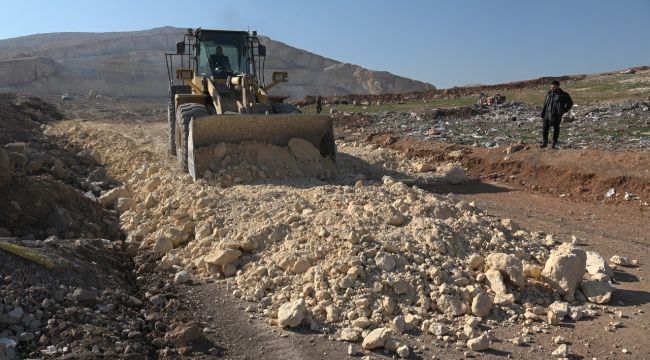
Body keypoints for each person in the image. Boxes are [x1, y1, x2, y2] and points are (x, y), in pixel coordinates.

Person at [540, 80, 573, 149]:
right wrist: (543, 112)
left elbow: (570, 103)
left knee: (556, 129)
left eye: (554, 86)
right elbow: (545, 104)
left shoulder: (563, 95)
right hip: (547, 114)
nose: (552, 88)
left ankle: (554, 143)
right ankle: (544, 143)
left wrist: (564, 110)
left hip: (556, 115)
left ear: (558, 86)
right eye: (551, 86)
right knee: (545, 128)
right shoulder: (548, 94)